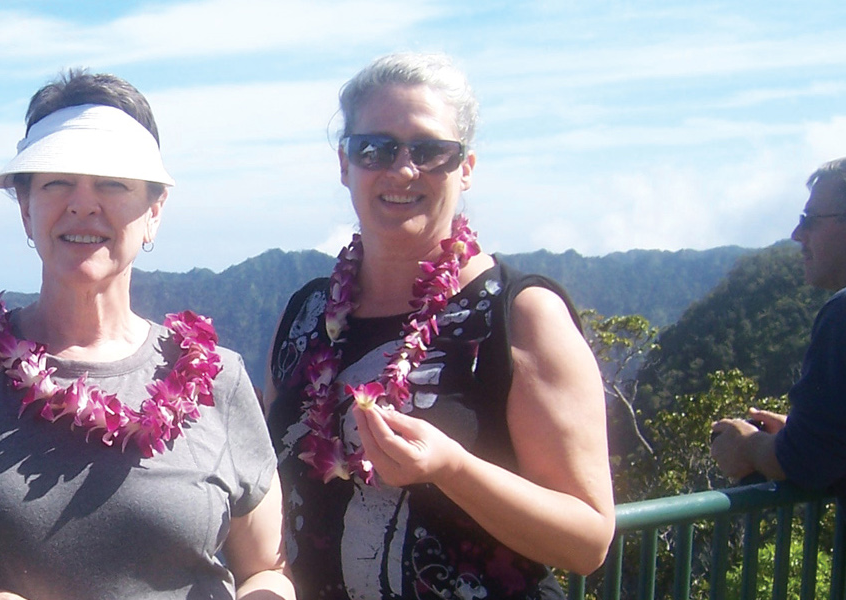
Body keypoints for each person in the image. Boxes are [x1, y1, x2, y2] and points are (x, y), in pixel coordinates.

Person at [0, 69, 293, 600]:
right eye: (56, 182)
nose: (83, 204)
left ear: (154, 212)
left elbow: (267, 569)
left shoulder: (219, 378)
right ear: (26, 210)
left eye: (113, 183)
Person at [264, 53, 615, 599]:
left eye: (430, 151)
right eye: (374, 148)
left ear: (466, 168)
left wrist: (452, 469)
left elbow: (587, 541)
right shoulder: (307, 316)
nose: (403, 170)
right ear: (345, 164)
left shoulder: (519, 316)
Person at [711, 155, 846, 586]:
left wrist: (749, 448)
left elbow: (810, 461)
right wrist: (805, 429)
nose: (796, 234)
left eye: (810, 219)